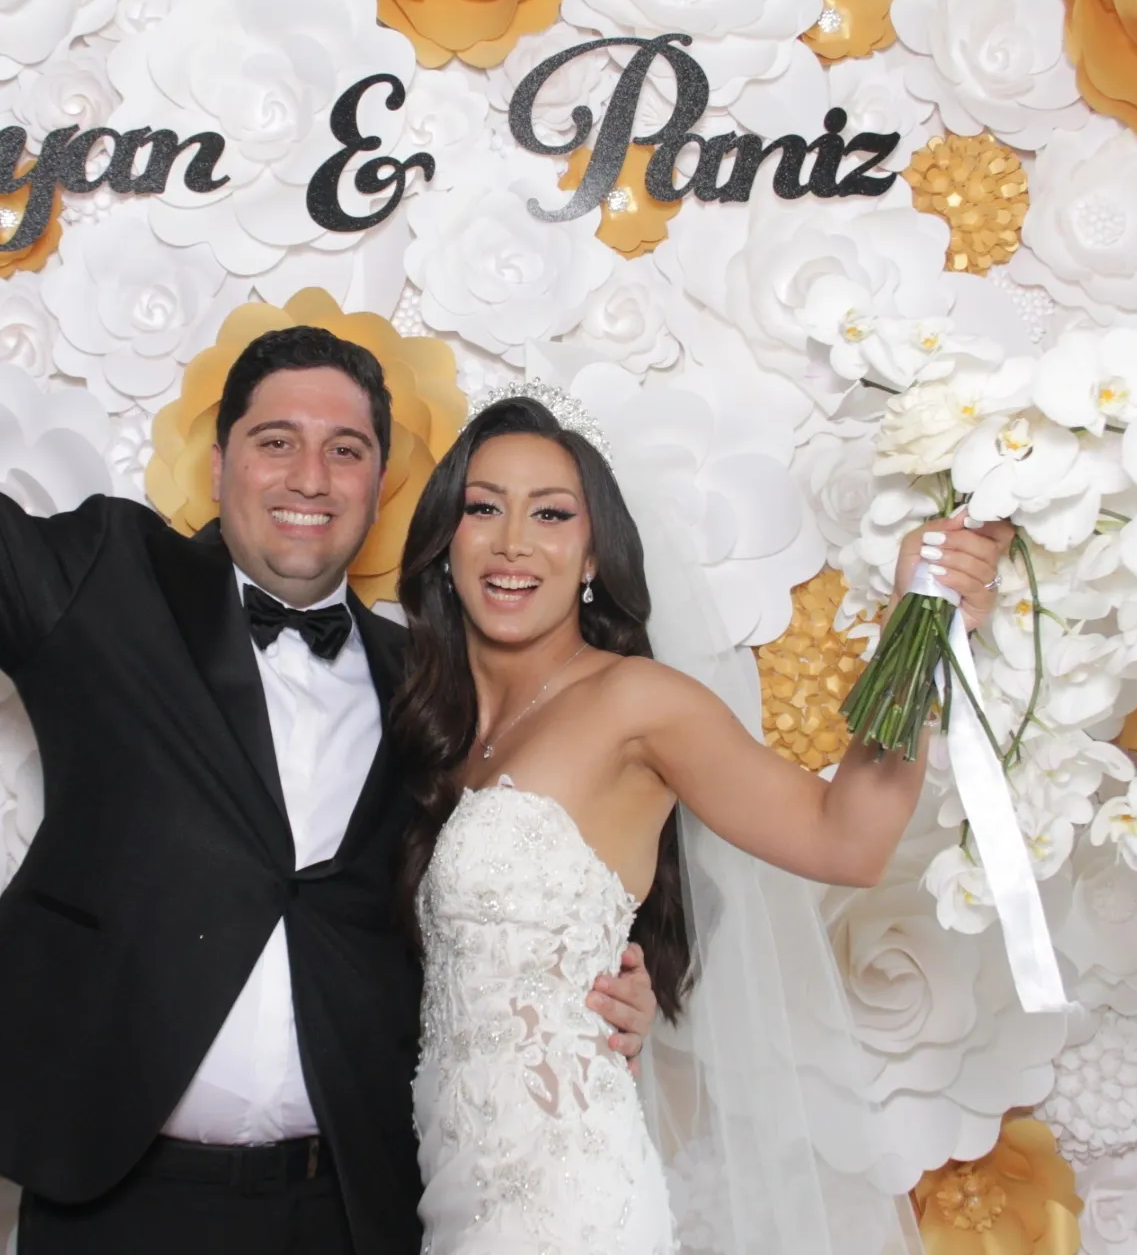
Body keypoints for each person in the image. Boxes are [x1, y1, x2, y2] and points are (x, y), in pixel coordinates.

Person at [0, 0, 656, 1255]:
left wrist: (600, 982)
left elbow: (533, 854)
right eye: (276, 442)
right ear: (221, 465)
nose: (310, 477)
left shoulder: (431, 676)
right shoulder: (107, 583)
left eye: (344, 449)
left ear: (381, 484)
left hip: (357, 1200)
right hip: (123, 1200)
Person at [390, 394, 1010, 1253]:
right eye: (483, 507)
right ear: (445, 541)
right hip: (447, 1187)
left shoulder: (637, 701)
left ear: (594, 552)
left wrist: (923, 621)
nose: (512, 543)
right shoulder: (435, 721)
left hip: (566, 1205)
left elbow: (847, 839)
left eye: (552, 514)